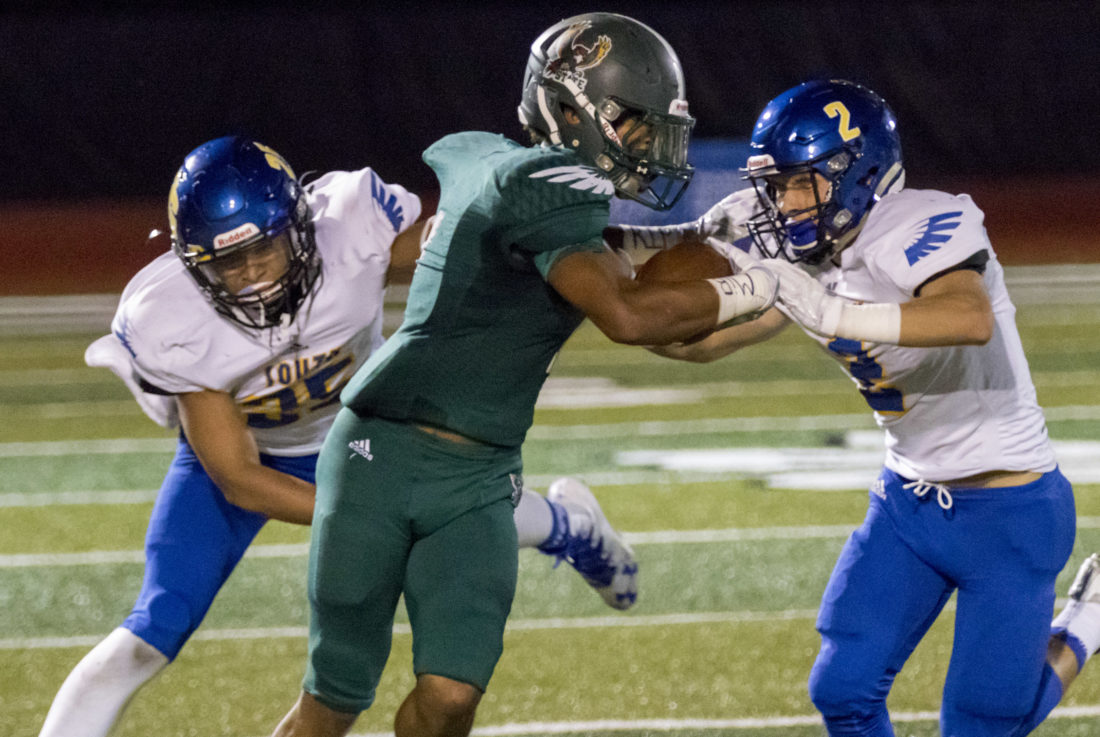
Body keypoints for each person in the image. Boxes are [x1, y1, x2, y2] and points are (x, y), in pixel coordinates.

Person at [268, 12, 779, 737]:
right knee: (334, 698)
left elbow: (662, 318)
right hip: (380, 456)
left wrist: (766, 286)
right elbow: (627, 316)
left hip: (480, 475)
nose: (646, 143)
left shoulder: (518, 177)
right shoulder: (544, 184)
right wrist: (757, 282)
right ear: (570, 110)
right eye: (631, 122)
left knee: (452, 695)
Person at [36, 135, 645, 737]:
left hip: (371, 437)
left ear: (300, 226)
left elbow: (451, 252)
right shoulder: (169, 316)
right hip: (249, 458)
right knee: (155, 624)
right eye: (228, 263)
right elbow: (239, 479)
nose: (251, 277)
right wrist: (369, 516)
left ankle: (570, 527)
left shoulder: (352, 224)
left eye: (263, 249)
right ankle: (566, 524)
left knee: (451, 509)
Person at [613, 78, 1098, 736]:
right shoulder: (807, 251)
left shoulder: (921, 219)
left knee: (982, 724)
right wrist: (623, 314)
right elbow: (702, 345)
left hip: (1008, 509)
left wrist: (828, 309)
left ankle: (1086, 624)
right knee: (842, 690)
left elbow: (968, 316)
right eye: (776, 185)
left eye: (800, 183)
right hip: (908, 503)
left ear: (859, 172)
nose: (785, 203)